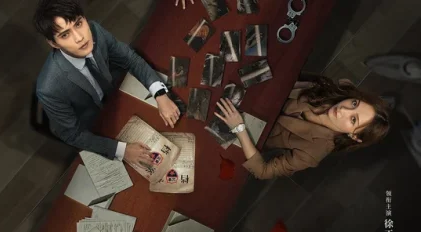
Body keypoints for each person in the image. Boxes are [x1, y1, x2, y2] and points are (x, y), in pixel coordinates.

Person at [33, 0, 181, 164]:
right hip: (94, 126)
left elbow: (130, 59)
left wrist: (160, 94)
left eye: (79, 24)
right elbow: (73, 135)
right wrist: (122, 151)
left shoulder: (95, 31)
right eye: (65, 35)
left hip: (117, 98)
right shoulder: (49, 88)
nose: (80, 37)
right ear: (53, 43)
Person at [215, 76, 391, 179]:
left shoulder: (313, 152)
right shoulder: (327, 89)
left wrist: (238, 127)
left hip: (247, 126)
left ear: (354, 136)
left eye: (353, 119)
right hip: (255, 93)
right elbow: (289, 79)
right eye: (354, 103)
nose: (343, 109)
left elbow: (262, 171)